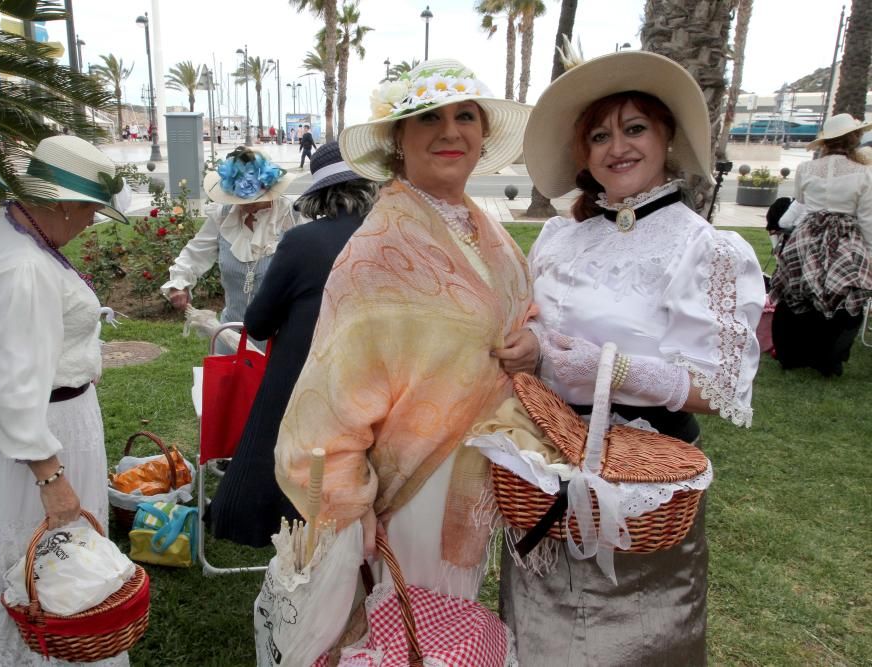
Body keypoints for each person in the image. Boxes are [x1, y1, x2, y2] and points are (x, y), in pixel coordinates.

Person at [502, 50, 765, 665]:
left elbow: (722, 389)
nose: (616, 146)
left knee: (632, 641)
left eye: (634, 127)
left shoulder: (704, 248)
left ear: (667, 136)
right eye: (599, 135)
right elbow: (545, 329)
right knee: (538, 632)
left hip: (641, 482)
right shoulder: (560, 235)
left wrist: (614, 370)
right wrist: (535, 347)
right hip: (542, 469)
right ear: (583, 153)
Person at [273, 58, 535, 657]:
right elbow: (331, 393)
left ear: (483, 133)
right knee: (405, 626)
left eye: (465, 116)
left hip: (475, 472)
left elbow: (519, 312)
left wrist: (534, 345)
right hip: (407, 486)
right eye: (428, 119)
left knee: (450, 618)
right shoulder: (378, 251)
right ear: (399, 141)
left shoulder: (483, 229)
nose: (450, 132)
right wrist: (346, 504)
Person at [0, 135, 131, 665]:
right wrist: (52, 479)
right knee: (39, 559)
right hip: (33, 442)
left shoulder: (1, 230)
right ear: (61, 203)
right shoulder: (26, 268)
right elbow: (20, 391)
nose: (91, 222)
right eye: (90, 209)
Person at [209, 141, 379, 547]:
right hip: (372, 383)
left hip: (301, 378)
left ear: (319, 194)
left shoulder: (303, 241)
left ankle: (277, 524)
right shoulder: (389, 239)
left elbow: (258, 323)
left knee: (279, 447)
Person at [160, 147, 299, 354]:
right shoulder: (223, 216)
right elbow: (194, 253)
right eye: (240, 200)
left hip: (280, 341)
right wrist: (178, 283)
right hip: (230, 335)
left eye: (253, 200)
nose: (246, 206)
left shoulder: (291, 217)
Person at [769, 113, 872, 377]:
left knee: (796, 292)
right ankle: (828, 359)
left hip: (808, 235)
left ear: (825, 142)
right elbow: (866, 217)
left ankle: (792, 354)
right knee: (843, 294)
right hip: (845, 236)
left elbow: (801, 202)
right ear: (854, 138)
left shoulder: (806, 169)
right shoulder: (864, 172)